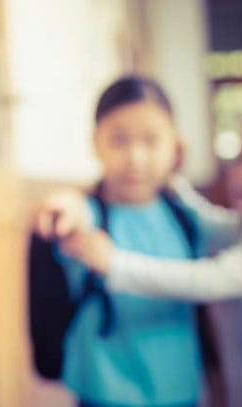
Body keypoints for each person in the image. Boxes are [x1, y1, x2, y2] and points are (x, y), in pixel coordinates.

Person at [47, 110, 242, 407]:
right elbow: (210, 222)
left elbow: (206, 280)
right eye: (239, 160)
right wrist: (170, 174)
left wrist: (114, 264)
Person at [31, 75, 214, 407]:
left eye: (151, 140)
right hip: (104, 389)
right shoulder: (87, 215)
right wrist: (65, 205)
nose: (135, 157)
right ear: (95, 143)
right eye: (119, 141)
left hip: (180, 387)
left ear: (175, 145)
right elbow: (71, 211)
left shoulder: (188, 216)